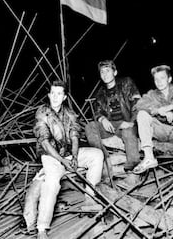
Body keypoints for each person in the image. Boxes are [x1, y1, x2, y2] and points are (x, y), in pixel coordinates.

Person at [28, 80, 104, 239]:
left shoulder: (69, 113)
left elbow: (75, 136)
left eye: (59, 94)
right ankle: (42, 228)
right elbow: (45, 143)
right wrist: (63, 162)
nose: (55, 97)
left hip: (68, 154)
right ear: (49, 95)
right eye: (53, 93)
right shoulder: (42, 113)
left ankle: (90, 199)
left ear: (64, 97)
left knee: (97, 155)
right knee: (51, 183)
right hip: (51, 158)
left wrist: (75, 156)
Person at [133, 65, 173, 174]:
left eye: (162, 78)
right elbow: (138, 105)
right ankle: (149, 157)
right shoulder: (152, 94)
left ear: (169, 79)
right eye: (156, 79)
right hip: (161, 132)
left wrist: (170, 107)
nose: (159, 82)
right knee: (142, 114)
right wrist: (159, 110)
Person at [85, 60, 142, 171]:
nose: (105, 74)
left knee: (128, 131)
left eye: (108, 71)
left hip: (129, 124)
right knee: (90, 127)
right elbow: (97, 112)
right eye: (102, 72)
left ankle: (133, 167)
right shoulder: (100, 93)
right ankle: (104, 160)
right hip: (113, 126)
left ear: (115, 72)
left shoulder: (126, 84)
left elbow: (137, 104)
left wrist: (132, 122)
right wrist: (102, 119)